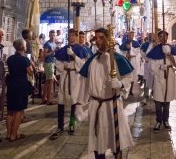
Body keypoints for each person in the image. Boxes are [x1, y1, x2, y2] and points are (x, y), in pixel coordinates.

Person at [78, 28, 134, 158]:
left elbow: (129, 77)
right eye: (96, 38)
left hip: (111, 104)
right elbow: (84, 82)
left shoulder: (117, 59)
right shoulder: (92, 61)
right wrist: (79, 104)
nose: (97, 41)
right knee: (98, 141)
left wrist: (120, 84)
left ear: (108, 39)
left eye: (101, 38)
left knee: (115, 138)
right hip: (95, 104)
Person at [50, 29, 88, 139]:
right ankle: (60, 126)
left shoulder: (81, 49)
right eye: (70, 35)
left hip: (74, 76)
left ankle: (72, 124)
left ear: (75, 37)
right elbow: (58, 63)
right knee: (61, 100)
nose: (71, 37)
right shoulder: (63, 49)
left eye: (73, 35)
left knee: (73, 100)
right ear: (68, 37)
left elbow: (82, 64)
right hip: (65, 76)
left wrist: (74, 56)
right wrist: (64, 66)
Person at [146, 30, 176, 132]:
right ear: (159, 38)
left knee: (167, 100)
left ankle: (166, 120)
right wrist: (161, 66)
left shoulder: (172, 48)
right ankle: (158, 121)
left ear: (167, 37)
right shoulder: (155, 49)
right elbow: (151, 65)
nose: (163, 38)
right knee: (158, 101)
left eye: (165, 36)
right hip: (159, 75)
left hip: (169, 75)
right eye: (161, 37)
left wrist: (169, 55)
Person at [6, 39, 34, 142]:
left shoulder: (10, 59)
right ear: (23, 47)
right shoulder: (24, 59)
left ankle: (8, 134)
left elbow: (10, 71)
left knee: (10, 110)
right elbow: (30, 73)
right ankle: (14, 135)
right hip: (21, 85)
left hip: (11, 85)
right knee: (19, 110)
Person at [119, 30, 141, 95]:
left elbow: (137, 51)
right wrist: (126, 54)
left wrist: (130, 48)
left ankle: (131, 90)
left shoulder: (136, 43)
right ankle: (126, 90)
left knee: (133, 76)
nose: (131, 37)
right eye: (130, 35)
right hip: (126, 61)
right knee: (126, 76)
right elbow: (121, 52)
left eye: (132, 35)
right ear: (127, 36)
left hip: (133, 61)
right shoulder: (124, 43)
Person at [42, 29, 57, 105]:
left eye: (54, 35)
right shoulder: (47, 44)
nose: (53, 36)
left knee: (47, 81)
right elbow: (45, 55)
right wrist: (53, 51)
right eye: (51, 35)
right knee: (50, 81)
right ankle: (49, 99)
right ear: (49, 35)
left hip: (52, 63)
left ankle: (44, 98)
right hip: (48, 63)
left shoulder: (54, 43)